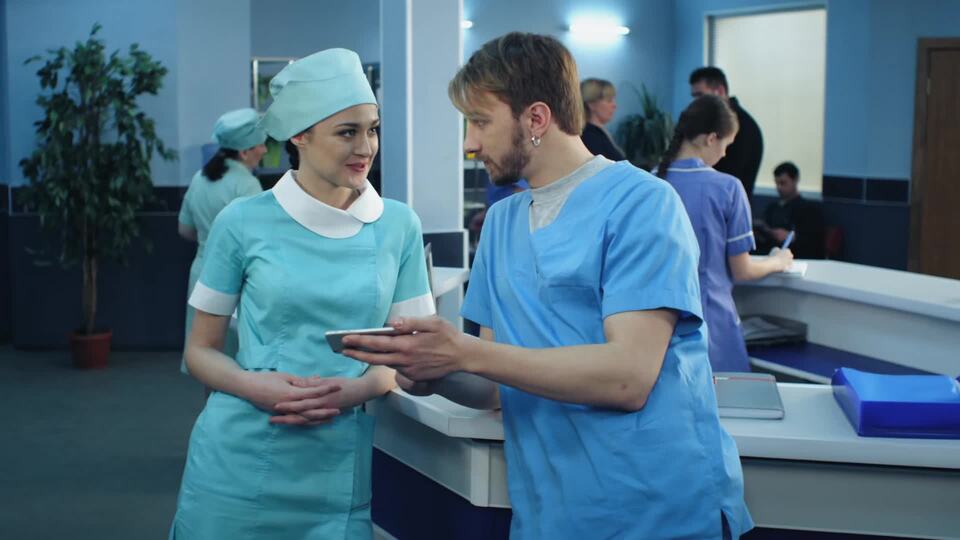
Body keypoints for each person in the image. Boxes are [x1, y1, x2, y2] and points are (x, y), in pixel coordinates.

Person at [344, 32, 753, 539]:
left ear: (536, 119)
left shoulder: (643, 203)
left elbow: (629, 377)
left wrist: (465, 352)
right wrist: (431, 368)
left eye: (480, 122)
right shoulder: (502, 224)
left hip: (655, 507)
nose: (470, 144)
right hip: (553, 512)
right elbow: (495, 384)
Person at [169, 48, 435, 539]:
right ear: (300, 135)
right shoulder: (241, 222)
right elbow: (199, 350)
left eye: (373, 129)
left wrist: (356, 389)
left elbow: (411, 356)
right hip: (237, 465)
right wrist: (255, 386)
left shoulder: (399, 226)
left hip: (336, 466)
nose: (366, 147)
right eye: (347, 132)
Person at [657, 95, 794, 373]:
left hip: (656, 326)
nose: (724, 155)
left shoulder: (649, 182)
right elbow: (742, 271)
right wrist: (778, 261)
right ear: (711, 139)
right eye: (726, 145)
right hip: (711, 324)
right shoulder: (727, 188)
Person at [177, 108, 266, 369]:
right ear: (244, 152)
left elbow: (185, 230)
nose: (264, 150)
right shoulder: (247, 185)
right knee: (236, 363)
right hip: (236, 280)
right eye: (261, 145)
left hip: (202, 275)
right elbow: (258, 241)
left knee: (207, 356)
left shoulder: (199, 178)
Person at [690, 67, 763, 203]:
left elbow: (727, 178)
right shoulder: (720, 122)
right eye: (694, 97)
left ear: (720, 91)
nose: (696, 103)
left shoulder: (741, 126)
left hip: (727, 207)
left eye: (700, 95)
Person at [756, 161, 826, 259]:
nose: (779, 187)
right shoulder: (772, 208)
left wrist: (792, 237)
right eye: (777, 183)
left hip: (796, 256)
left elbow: (814, 241)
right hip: (769, 254)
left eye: (783, 183)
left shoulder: (809, 210)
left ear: (795, 180)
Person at [579, 78, 625, 161]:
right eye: (609, 100)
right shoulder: (590, 137)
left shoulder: (600, 133)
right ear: (592, 104)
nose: (614, 105)